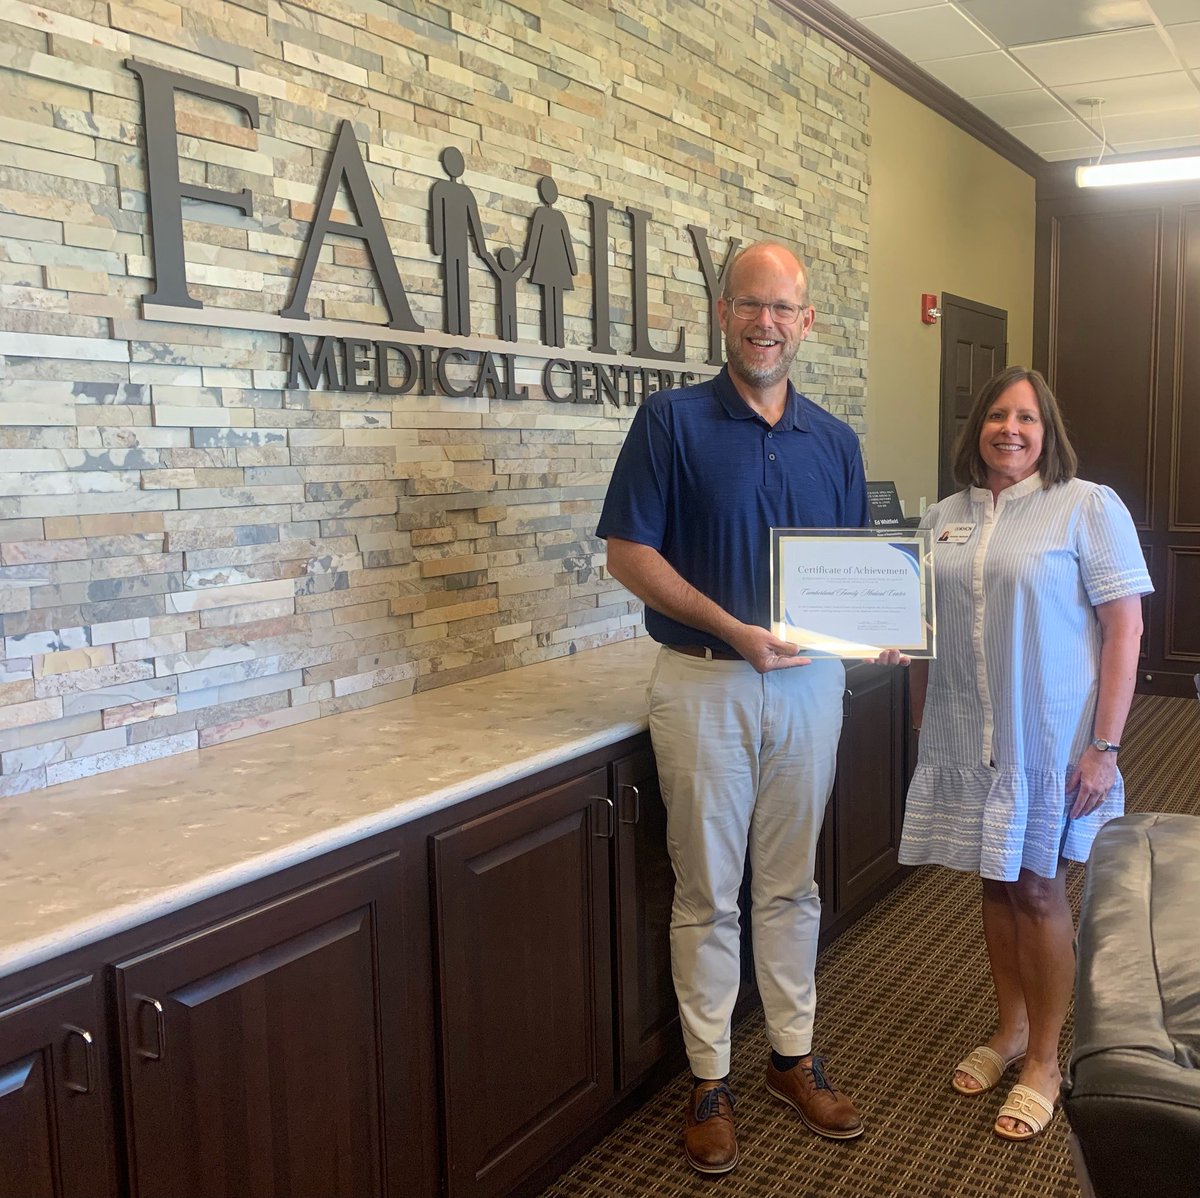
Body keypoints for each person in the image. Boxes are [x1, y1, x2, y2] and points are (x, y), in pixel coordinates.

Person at [597, 241, 900, 1174]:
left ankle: (792, 1058)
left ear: (806, 322)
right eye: (748, 304)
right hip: (703, 684)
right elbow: (628, 553)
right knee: (706, 892)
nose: (765, 323)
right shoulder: (670, 421)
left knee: (791, 886)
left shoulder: (834, 440)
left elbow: (855, 567)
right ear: (723, 312)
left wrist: (881, 628)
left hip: (809, 687)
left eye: (782, 309)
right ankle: (709, 1078)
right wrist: (733, 629)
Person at [899, 365, 1151, 1142]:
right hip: (964, 735)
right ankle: (1008, 1030)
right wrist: (913, 703)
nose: (1010, 429)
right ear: (976, 427)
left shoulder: (1085, 506)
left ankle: (1044, 1057)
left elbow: (1125, 628)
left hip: (1049, 739)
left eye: (1026, 418)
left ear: (1048, 432)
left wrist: (1104, 747)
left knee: (1038, 889)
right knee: (995, 881)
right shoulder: (942, 518)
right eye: (997, 416)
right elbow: (919, 629)